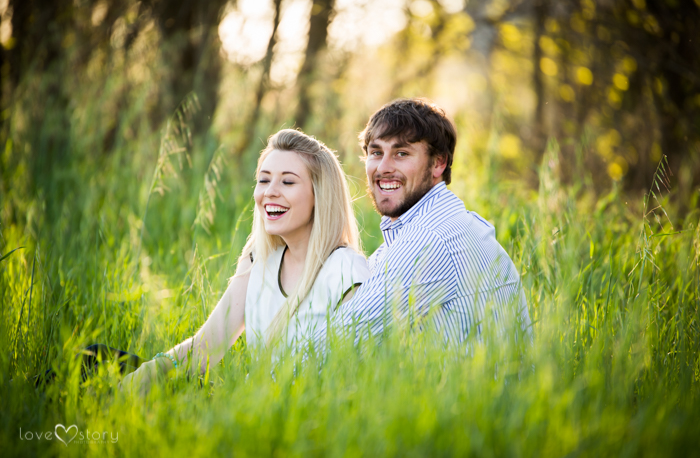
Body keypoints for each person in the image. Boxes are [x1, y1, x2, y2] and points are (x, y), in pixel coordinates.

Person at [36, 129, 370, 394]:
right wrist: (142, 378)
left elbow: (345, 379)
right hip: (235, 400)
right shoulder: (259, 258)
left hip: (274, 416)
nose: (269, 192)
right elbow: (205, 348)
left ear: (319, 194)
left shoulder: (346, 271)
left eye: (288, 181)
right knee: (91, 360)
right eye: (264, 179)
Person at [313, 98, 532, 347]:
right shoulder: (430, 227)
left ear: (439, 162)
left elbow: (338, 341)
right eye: (376, 152)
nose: (383, 167)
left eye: (401, 153)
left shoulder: (431, 237)